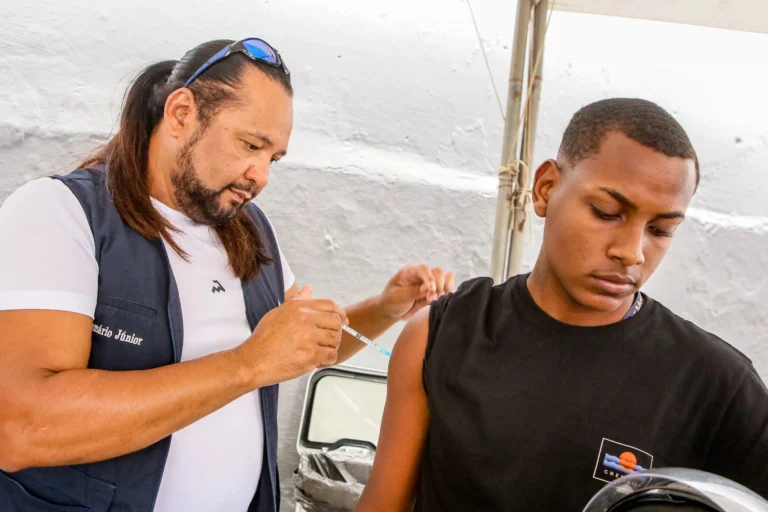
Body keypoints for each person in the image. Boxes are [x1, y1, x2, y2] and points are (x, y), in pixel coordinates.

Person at [0, 38, 454, 512]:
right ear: (181, 114)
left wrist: (384, 308)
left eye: (273, 158)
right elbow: (21, 427)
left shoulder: (250, 231)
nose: (260, 176)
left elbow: (296, 347)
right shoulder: (61, 213)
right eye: (251, 144)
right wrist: (248, 363)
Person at [356, 98, 768, 511]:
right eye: (606, 212)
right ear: (546, 188)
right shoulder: (442, 334)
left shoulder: (717, 385)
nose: (632, 252)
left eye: (660, 230)